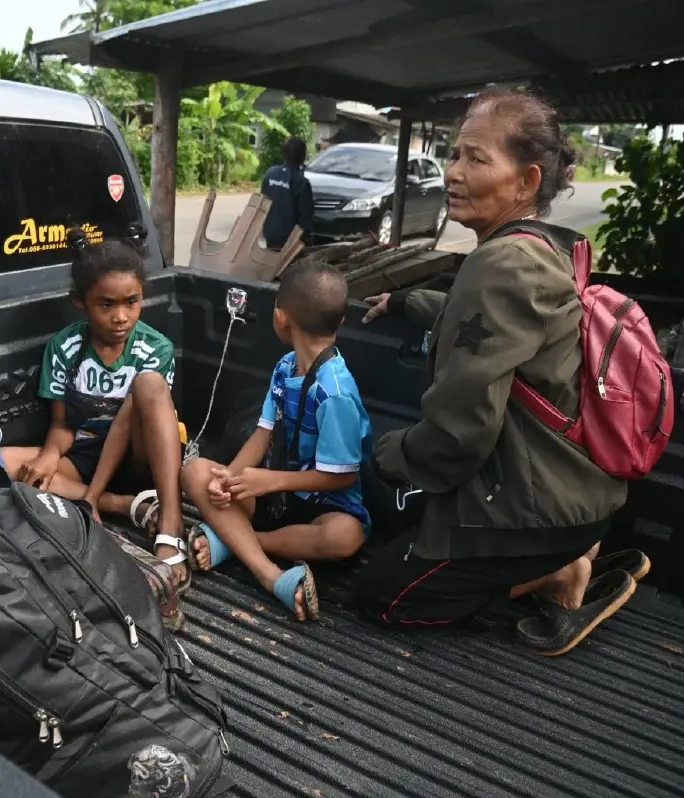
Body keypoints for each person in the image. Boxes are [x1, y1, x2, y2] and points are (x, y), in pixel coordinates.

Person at [354, 88, 649, 656]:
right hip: (581, 496)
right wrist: (405, 301)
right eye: (454, 154)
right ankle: (571, 554)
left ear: (526, 181)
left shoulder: (499, 262)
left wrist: (390, 456)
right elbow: (488, 322)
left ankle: (555, 574)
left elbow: (460, 435)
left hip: (537, 511)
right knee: (399, 507)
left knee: (383, 595)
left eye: (476, 158)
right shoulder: (542, 248)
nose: (453, 172)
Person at [180, 260, 371, 621]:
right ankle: (266, 567)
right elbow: (263, 433)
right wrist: (230, 477)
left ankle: (241, 547)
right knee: (195, 471)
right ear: (342, 320)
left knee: (345, 536)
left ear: (281, 318)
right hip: (273, 498)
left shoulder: (336, 393)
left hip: (322, 506)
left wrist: (270, 481)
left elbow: (342, 476)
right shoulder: (285, 367)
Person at [1, 227, 190, 584]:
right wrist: (50, 454)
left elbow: (146, 416)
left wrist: (92, 489)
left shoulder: (155, 348)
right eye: (106, 304)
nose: (121, 316)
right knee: (6, 462)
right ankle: (122, 505)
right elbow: (62, 426)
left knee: (147, 385)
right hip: (86, 453)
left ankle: (169, 520)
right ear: (80, 301)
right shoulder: (64, 347)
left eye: (131, 302)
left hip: (140, 456)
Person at [260, 137, 314, 250]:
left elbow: (262, 202)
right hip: (291, 240)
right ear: (303, 156)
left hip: (270, 234)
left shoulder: (270, 174)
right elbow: (305, 217)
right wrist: (307, 240)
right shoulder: (302, 182)